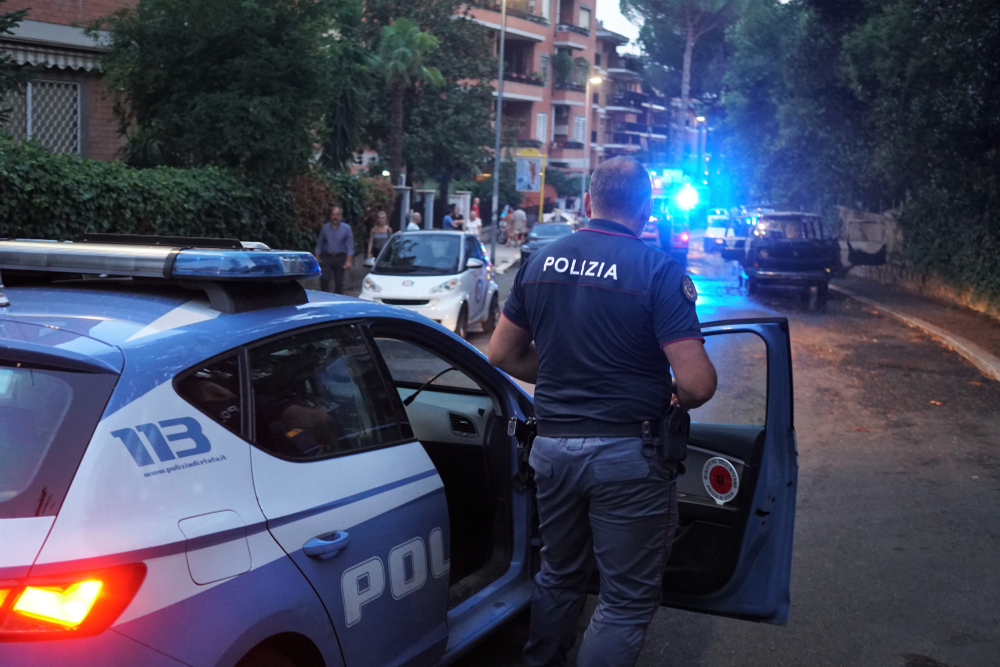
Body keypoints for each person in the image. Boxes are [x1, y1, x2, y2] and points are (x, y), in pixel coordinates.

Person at [488, 156, 718, 667]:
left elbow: (500, 354)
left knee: (558, 575)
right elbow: (698, 383)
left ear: (589, 201)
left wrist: (562, 372)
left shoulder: (541, 262)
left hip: (551, 450)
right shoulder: (657, 270)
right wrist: (671, 392)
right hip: (628, 458)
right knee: (624, 601)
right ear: (647, 210)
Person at [314, 205, 354, 294]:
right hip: (326, 257)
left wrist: (348, 261)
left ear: (341, 216)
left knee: (339, 282)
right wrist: (316, 258)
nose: (335, 217)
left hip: (340, 257)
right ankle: (325, 297)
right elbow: (319, 244)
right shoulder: (325, 228)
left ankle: (338, 298)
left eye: (337, 215)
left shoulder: (346, 229)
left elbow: (350, 246)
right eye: (333, 214)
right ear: (330, 216)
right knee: (324, 279)